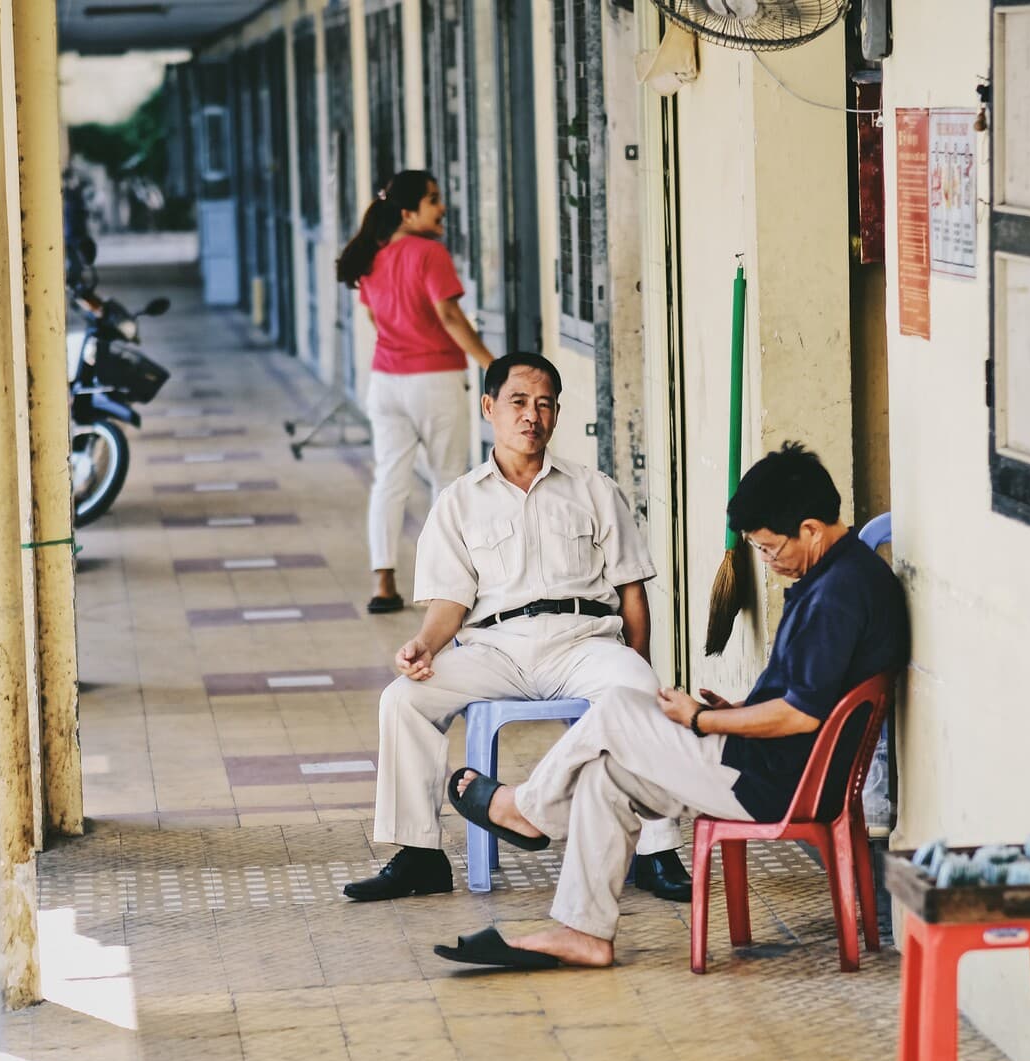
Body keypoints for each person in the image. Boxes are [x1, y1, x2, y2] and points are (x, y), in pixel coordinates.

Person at [434, 442, 908, 970]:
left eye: (771, 549)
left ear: (813, 530)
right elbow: (803, 698)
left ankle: (525, 809)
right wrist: (735, 710)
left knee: (616, 706)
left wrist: (703, 718)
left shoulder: (838, 594)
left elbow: (800, 717)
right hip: (767, 762)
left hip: (773, 782)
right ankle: (582, 933)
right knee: (605, 777)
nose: (768, 562)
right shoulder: (837, 576)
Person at [343, 352, 696, 904]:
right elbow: (448, 606)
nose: (532, 415)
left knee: (638, 694)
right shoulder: (457, 502)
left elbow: (631, 590)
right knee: (402, 699)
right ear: (489, 407)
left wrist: (639, 661)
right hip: (496, 649)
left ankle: (656, 853)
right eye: (518, 402)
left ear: (556, 415)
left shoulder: (594, 489)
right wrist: (423, 645)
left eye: (545, 405)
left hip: (583, 642)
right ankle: (418, 855)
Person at [337, 169, 496, 615]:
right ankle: (444, 588)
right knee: (447, 481)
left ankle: (383, 583)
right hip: (434, 380)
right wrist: (491, 364)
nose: (441, 206)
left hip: (385, 383)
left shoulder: (371, 256)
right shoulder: (429, 253)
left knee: (390, 479)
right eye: (433, 199)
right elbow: (448, 315)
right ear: (408, 212)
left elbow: (373, 318)